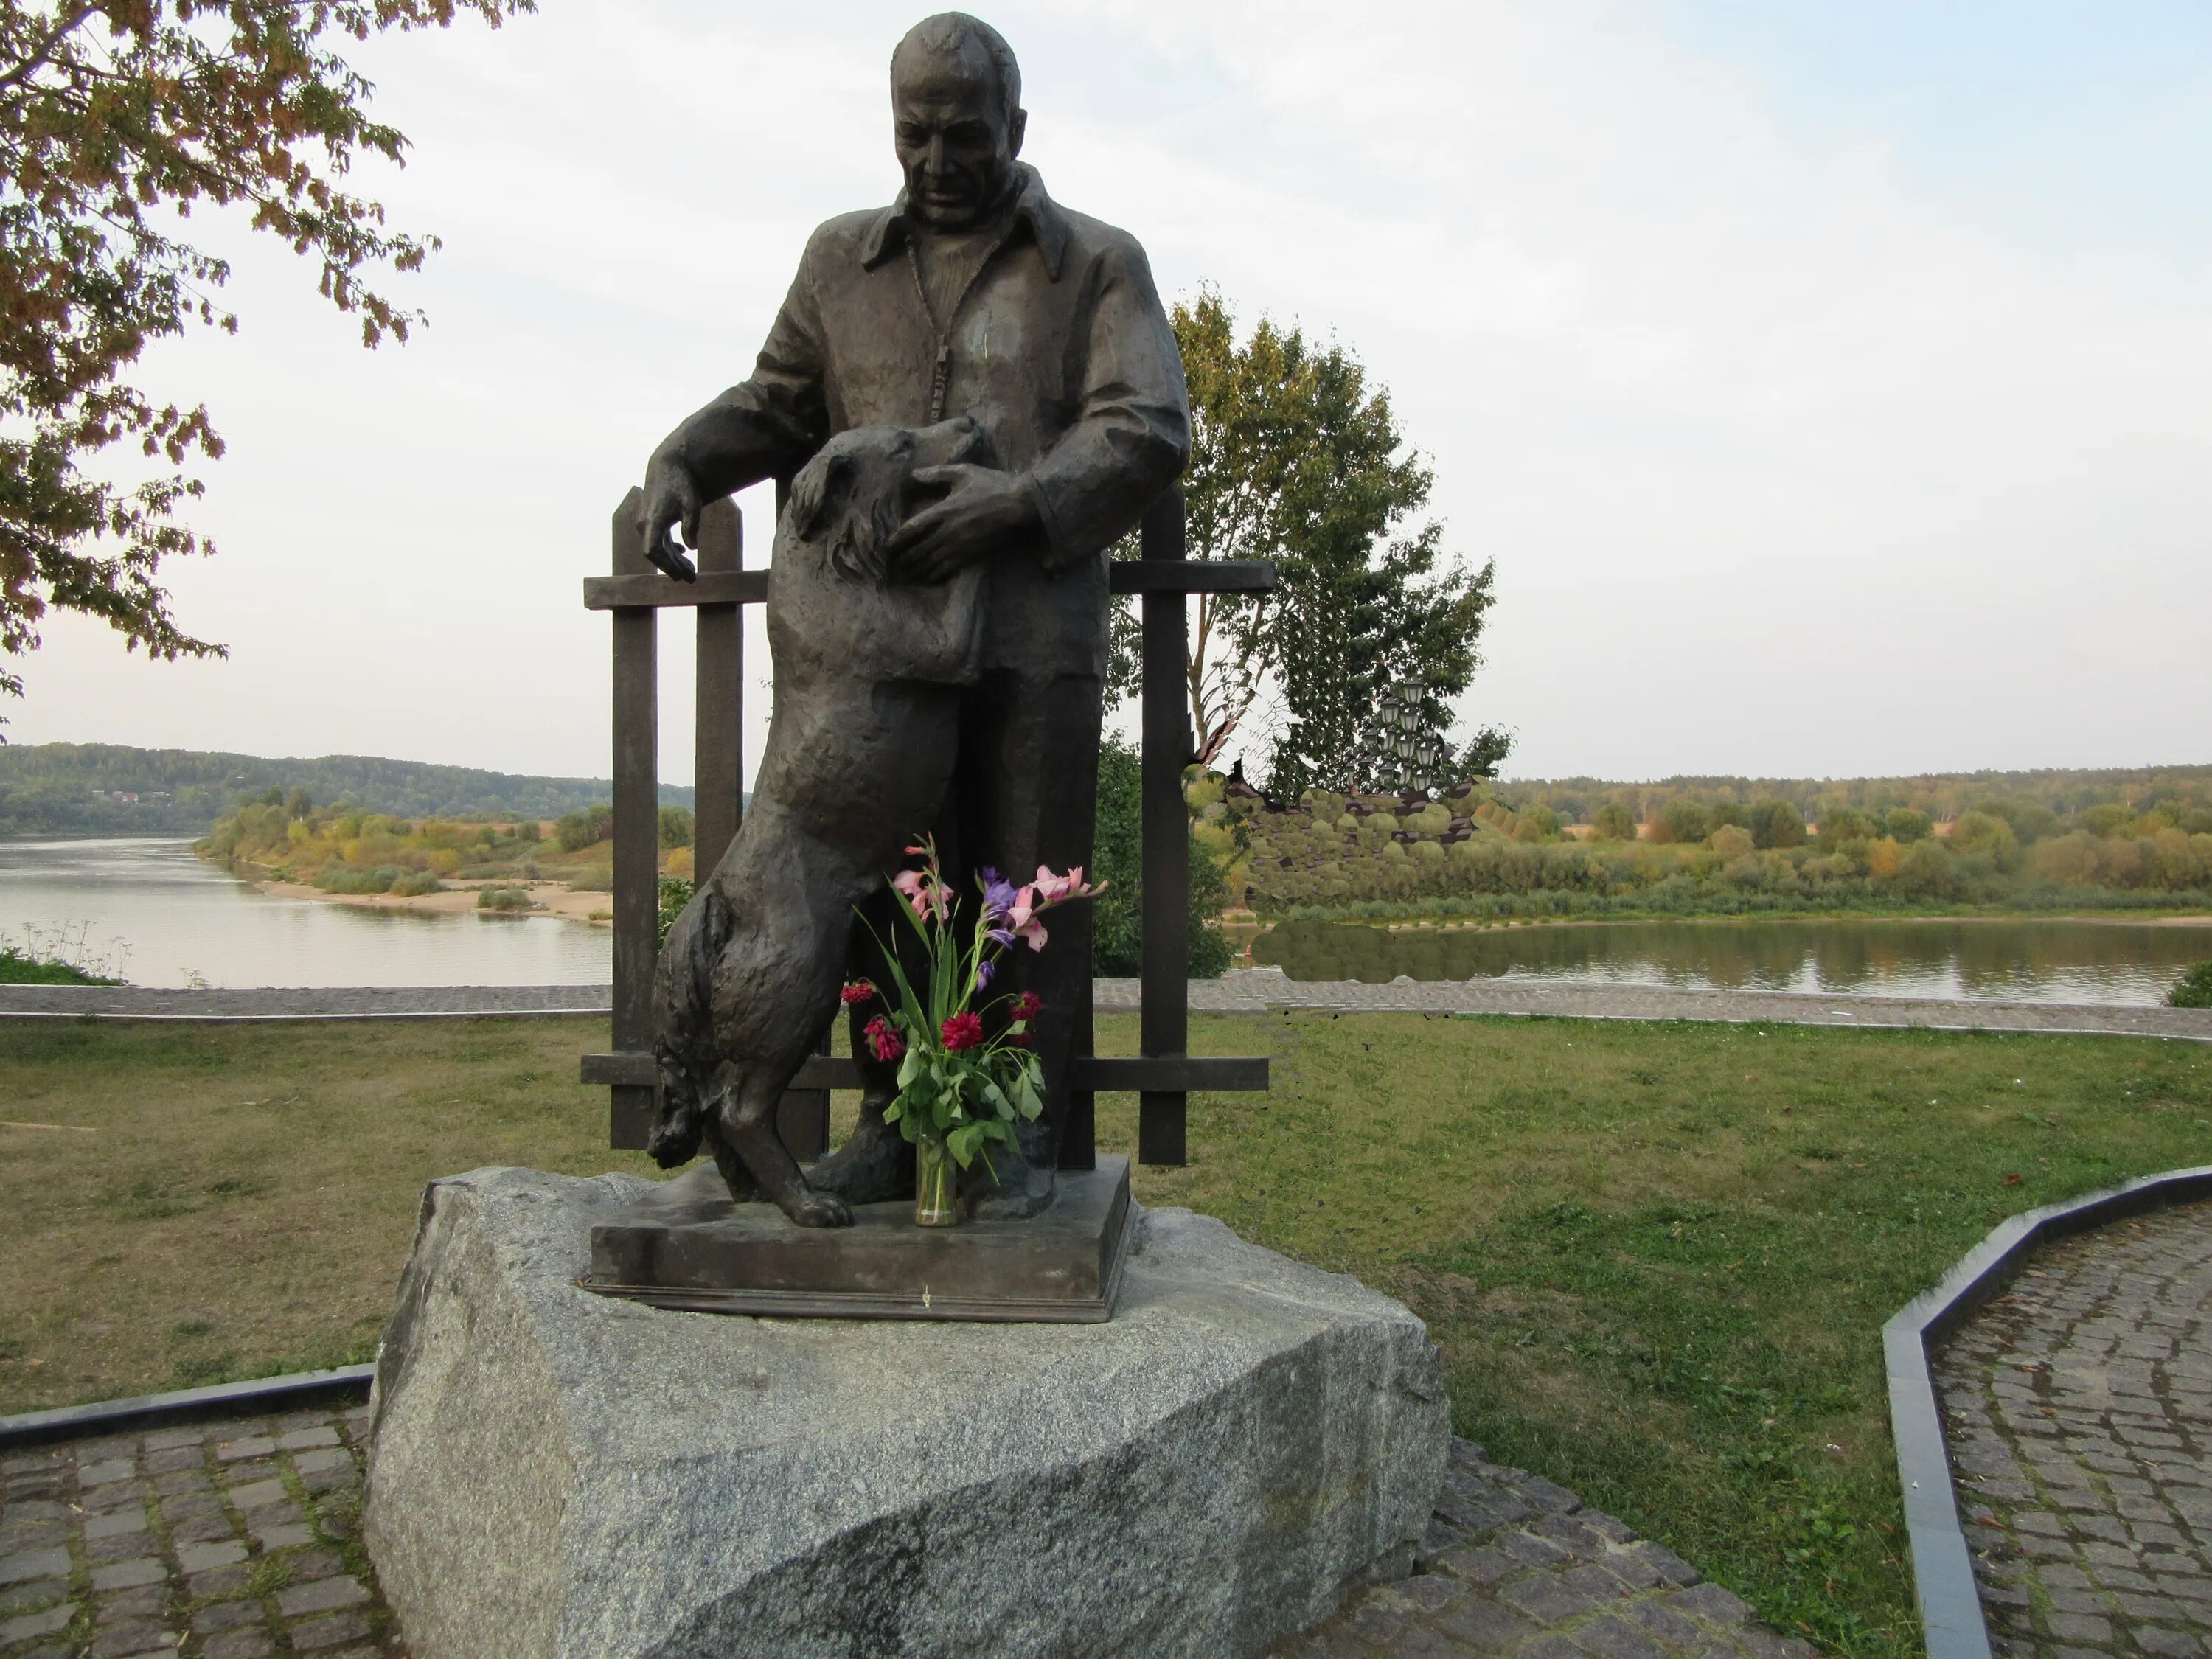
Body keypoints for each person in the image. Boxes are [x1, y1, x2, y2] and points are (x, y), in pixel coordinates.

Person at [639, 12, 1189, 1214]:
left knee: (1025, 898)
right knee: (889, 894)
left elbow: (1147, 426)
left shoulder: (1097, 263)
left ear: (1019, 129)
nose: (937, 160)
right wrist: (685, 457)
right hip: (879, 666)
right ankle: (901, 1129)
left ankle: (1021, 1141)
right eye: (915, 134)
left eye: (966, 135)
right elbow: (780, 405)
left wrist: (1019, 503)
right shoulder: (842, 262)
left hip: (1031, 647)